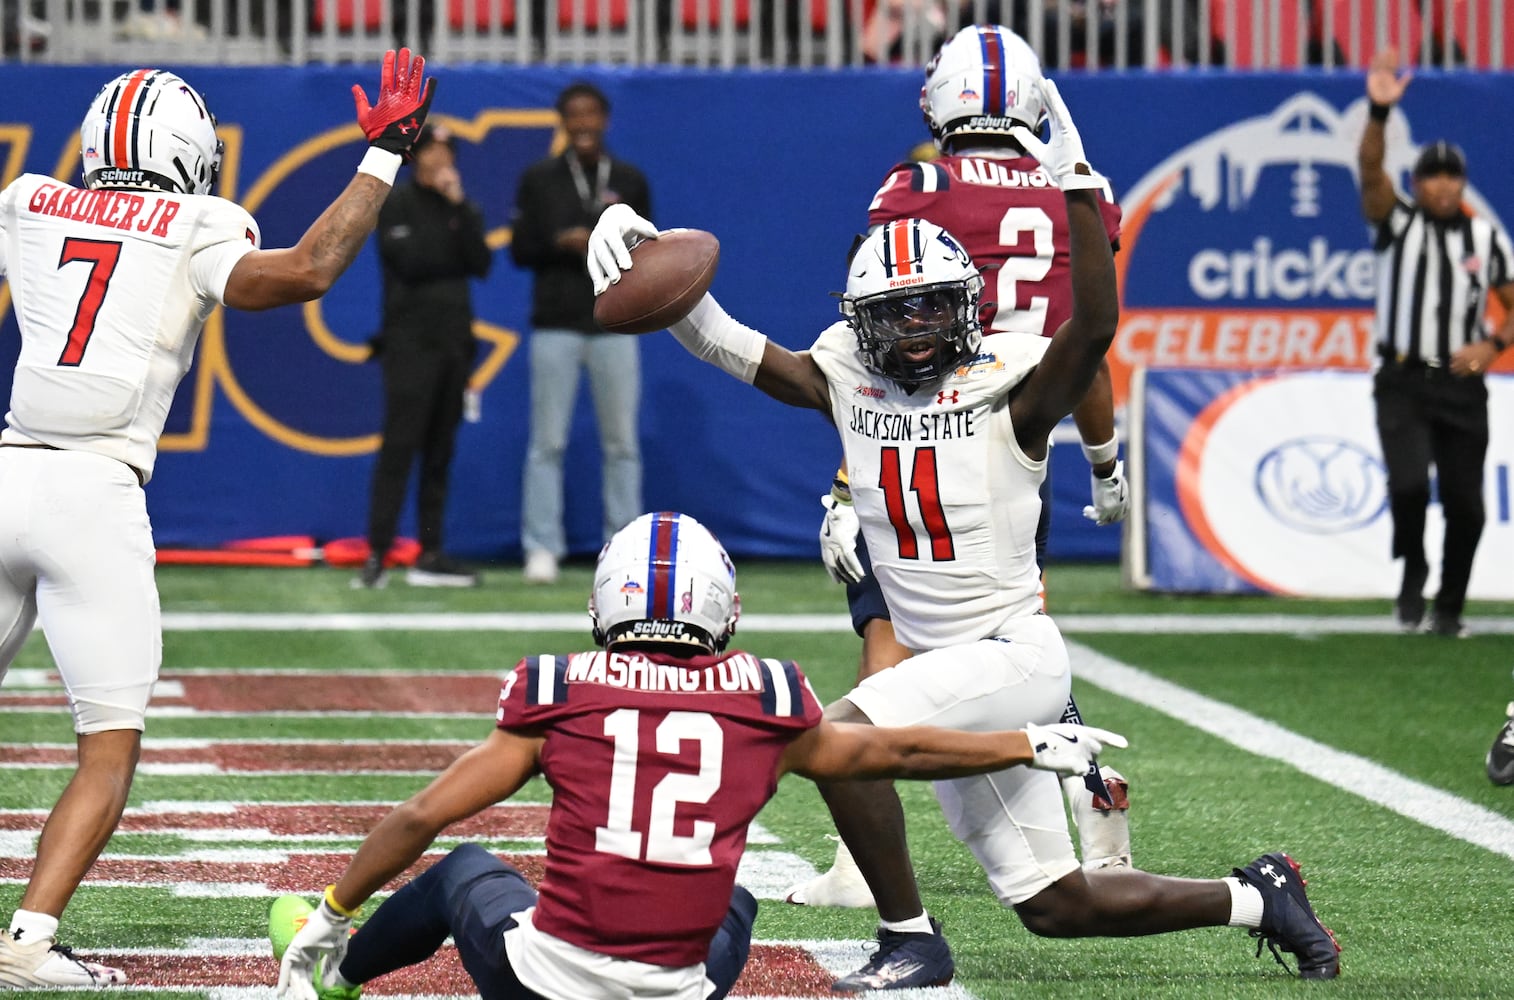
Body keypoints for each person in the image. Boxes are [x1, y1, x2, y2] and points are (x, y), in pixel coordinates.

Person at [587, 78, 1341, 990]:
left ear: (966, 305)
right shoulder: (845, 378)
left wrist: (1077, 192)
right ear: (861, 320)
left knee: (835, 742)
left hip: (1012, 655)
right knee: (1057, 906)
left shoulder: (1010, 390)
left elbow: (1094, 326)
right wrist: (638, 244)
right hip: (940, 671)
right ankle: (1260, 895)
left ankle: (911, 938)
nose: (914, 328)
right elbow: (725, 341)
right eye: (896, 312)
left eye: (933, 306)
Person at [270, 511, 1126, 1000]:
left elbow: (427, 813)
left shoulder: (561, 684)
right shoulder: (770, 698)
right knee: (736, 903)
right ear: (725, 608)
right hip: (682, 990)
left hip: (544, 986)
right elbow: (889, 749)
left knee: (464, 867)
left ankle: (337, 969)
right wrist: (1024, 741)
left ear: (607, 599)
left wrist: (335, 908)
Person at [0, 49, 435, 988]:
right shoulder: (200, 218)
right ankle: (29, 939)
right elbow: (308, 271)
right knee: (107, 744)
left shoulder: (28, 200)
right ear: (188, 150)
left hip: (7, 473)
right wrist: (386, 156)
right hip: (95, 495)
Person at [799, 23, 1131, 910]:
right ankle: (1104, 826)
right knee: (1013, 643)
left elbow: (886, 346)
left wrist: (844, 480)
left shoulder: (921, 183)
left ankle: (852, 862)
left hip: (930, 422)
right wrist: (1104, 460)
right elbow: (1085, 344)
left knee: (888, 634)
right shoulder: (1074, 191)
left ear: (939, 98)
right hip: (1026, 427)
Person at [1358, 47, 1514, 638]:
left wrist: (1492, 346)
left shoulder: (1486, 237)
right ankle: (1413, 567)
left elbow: (1513, 305)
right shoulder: (1400, 224)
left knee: (1467, 504)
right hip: (1401, 376)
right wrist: (1377, 112)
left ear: (1463, 183)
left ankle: (1449, 605)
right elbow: (1371, 176)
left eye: (1453, 177)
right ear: (1418, 183)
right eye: (1433, 176)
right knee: (1407, 485)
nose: (1444, 186)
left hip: (1460, 382)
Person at [511, 81, 652, 586]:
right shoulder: (540, 178)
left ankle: (625, 546)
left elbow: (650, 251)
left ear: (605, 119)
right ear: (563, 121)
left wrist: (598, 243)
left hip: (616, 323)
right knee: (547, 442)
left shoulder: (629, 180)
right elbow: (520, 249)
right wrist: (562, 243)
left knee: (622, 444)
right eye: (574, 115)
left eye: (591, 113)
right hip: (555, 322)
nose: (583, 123)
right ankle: (542, 546)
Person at [355, 122, 492, 590]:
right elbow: (411, 261)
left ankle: (430, 553)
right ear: (418, 156)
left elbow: (482, 262)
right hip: (410, 346)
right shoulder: (397, 202)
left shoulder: (461, 207)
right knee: (400, 448)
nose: (441, 159)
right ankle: (377, 554)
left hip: (455, 345)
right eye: (432, 150)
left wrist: (458, 210)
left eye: (447, 151)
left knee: (440, 453)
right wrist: (452, 235)